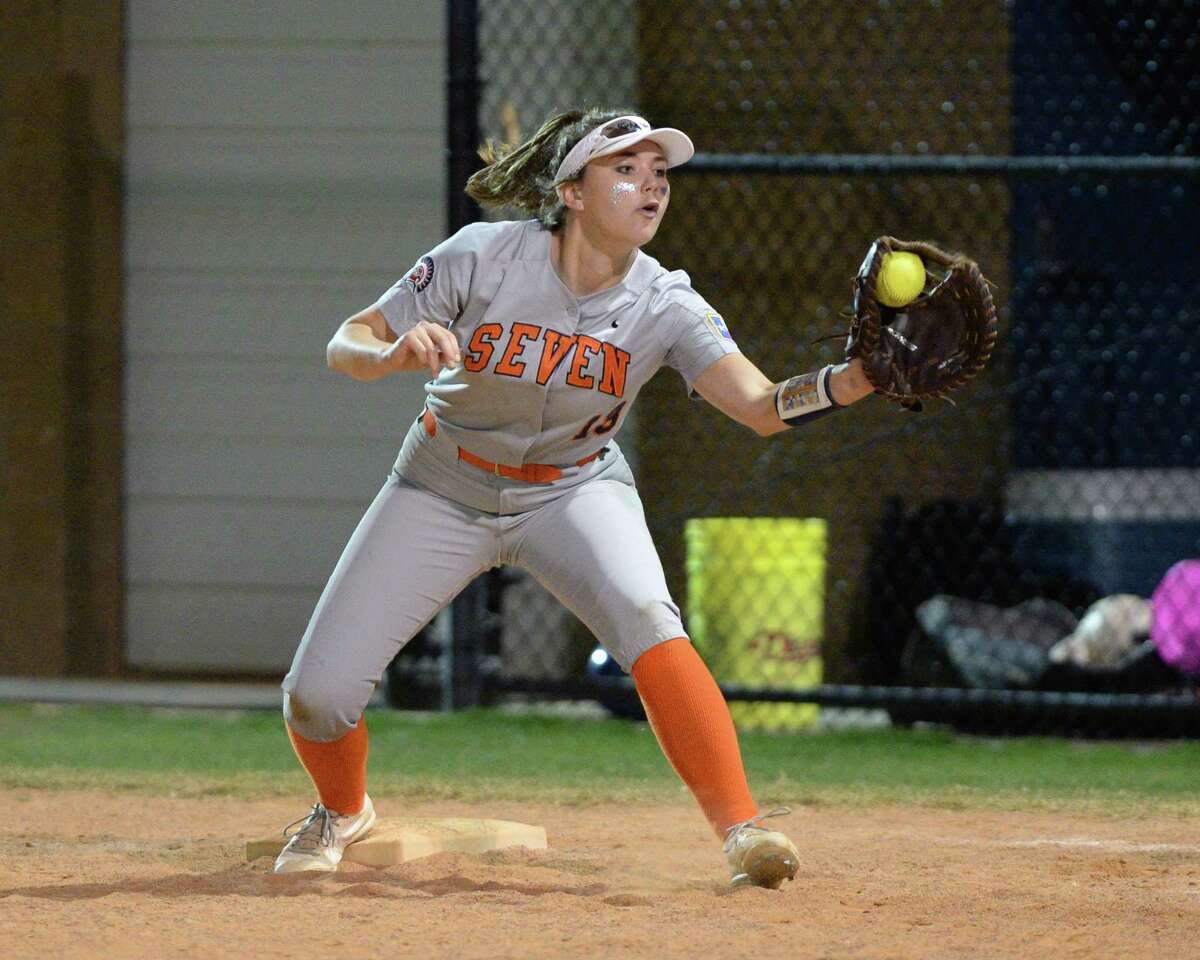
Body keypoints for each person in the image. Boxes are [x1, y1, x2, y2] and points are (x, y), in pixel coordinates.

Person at [274, 108, 876, 888]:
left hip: (572, 488)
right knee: (315, 697)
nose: (651, 184)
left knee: (650, 622)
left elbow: (761, 406)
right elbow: (344, 342)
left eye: (659, 172)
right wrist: (390, 353)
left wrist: (848, 382)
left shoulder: (667, 303)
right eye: (626, 169)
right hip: (442, 481)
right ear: (573, 192)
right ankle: (343, 811)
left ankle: (743, 831)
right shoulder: (483, 256)